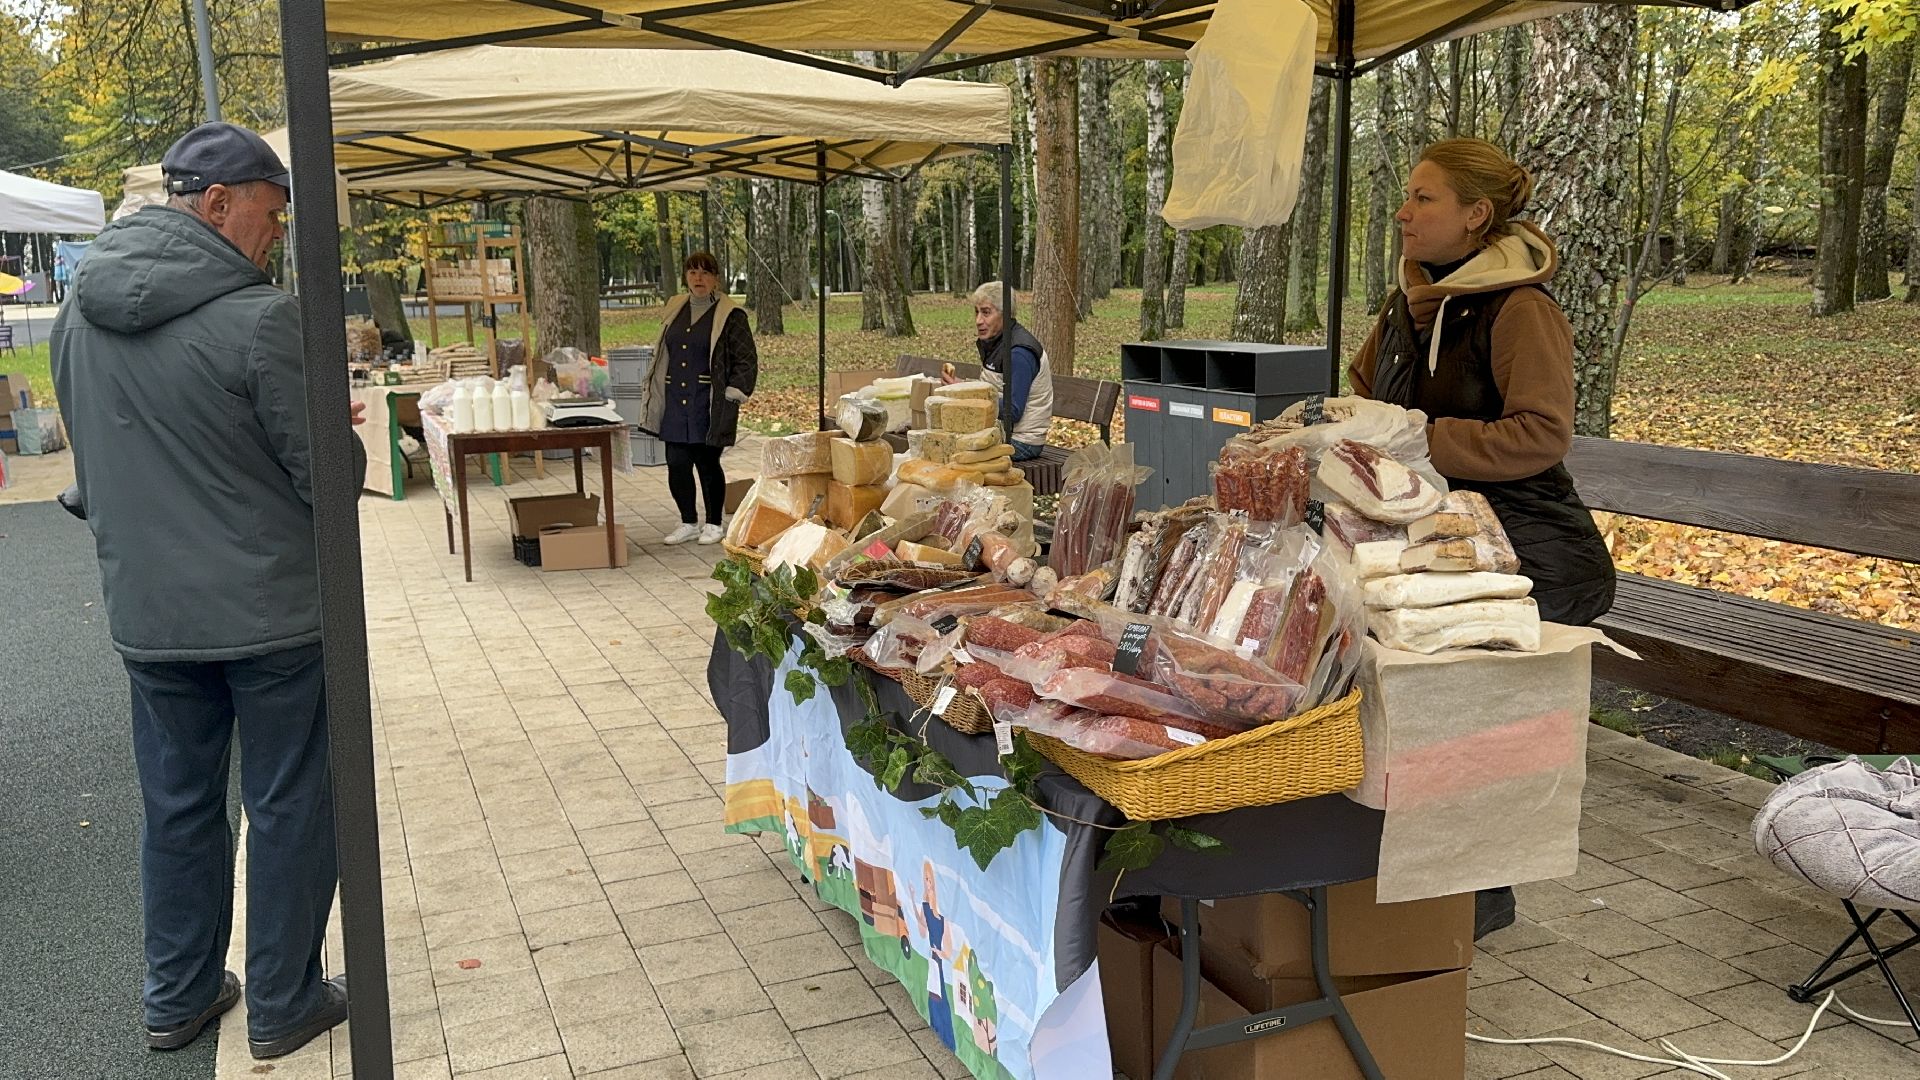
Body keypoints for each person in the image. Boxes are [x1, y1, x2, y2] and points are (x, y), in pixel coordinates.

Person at [50, 121, 366, 1059]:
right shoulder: (261, 320)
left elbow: (89, 473)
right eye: (270, 216)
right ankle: (282, 1000)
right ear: (218, 203)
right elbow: (331, 479)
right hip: (269, 616)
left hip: (148, 616)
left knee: (179, 807)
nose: (275, 237)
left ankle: (177, 995)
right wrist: (334, 425)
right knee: (289, 803)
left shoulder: (75, 317)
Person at [1348, 137, 1616, 940]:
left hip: (1536, 553)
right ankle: (1404, 873)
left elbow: (1541, 434)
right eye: (1407, 195)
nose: (1404, 211)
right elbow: (1366, 394)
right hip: (1444, 541)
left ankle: (1475, 892)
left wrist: (1420, 440)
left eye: (1424, 199)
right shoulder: (1408, 302)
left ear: (1476, 215)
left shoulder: (1520, 308)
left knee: (1463, 706)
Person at [640, 251, 758, 545]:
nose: (698, 278)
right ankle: (688, 521)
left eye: (705, 273)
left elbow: (746, 359)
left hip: (709, 400)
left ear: (716, 278)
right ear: (686, 277)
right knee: (676, 461)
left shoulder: (731, 315)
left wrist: (734, 392)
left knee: (707, 462)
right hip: (676, 397)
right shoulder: (675, 309)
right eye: (692, 272)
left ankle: (714, 523)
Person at [960, 282, 1053, 461]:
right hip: (1002, 432)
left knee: (957, 455)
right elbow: (993, 388)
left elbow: (1013, 411)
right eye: (976, 312)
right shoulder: (998, 341)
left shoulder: (1019, 352)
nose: (978, 320)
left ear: (1006, 314)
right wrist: (962, 386)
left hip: (1022, 441)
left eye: (986, 312)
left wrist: (968, 396)